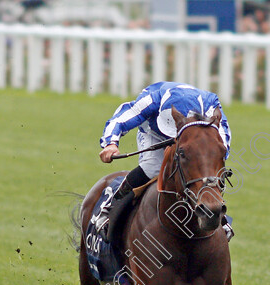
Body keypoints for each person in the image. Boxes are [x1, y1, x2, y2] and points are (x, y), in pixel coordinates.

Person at [96, 81, 233, 242]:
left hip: (194, 137)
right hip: (155, 134)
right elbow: (122, 117)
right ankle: (109, 207)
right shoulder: (153, 99)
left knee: (207, 170)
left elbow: (222, 139)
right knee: (153, 167)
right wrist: (111, 143)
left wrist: (211, 159)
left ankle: (219, 216)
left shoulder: (210, 104)